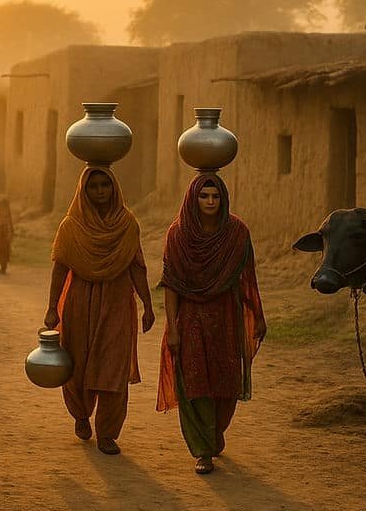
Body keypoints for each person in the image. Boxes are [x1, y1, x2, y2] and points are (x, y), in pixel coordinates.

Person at [158, 173, 265, 474]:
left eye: (215, 197)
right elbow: (172, 285)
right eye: (204, 196)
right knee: (195, 383)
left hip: (226, 317)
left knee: (225, 383)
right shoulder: (178, 235)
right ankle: (202, 450)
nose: (210, 202)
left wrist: (256, 315)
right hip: (190, 318)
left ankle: (215, 433)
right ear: (193, 199)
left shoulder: (237, 234)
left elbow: (247, 281)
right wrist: (173, 329)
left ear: (223, 199)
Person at [44, 167, 155, 455]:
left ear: (115, 187)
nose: (100, 191)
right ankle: (81, 415)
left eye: (105, 184)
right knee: (77, 365)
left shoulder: (127, 224)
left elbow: (136, 266)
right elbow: (60, 267)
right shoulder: (71, 226)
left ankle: (107, 433)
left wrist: (147, 304)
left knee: (113, 369)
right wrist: (52, 308)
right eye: (93, 186)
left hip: (118, 301)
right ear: (84, 191)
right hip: (80, 302)